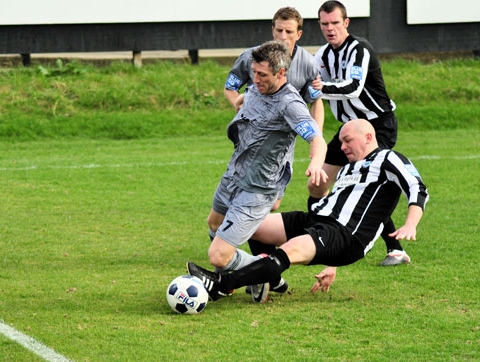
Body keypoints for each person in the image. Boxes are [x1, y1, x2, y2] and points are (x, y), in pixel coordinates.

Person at [188, 119, 429, 303]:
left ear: (368, 137)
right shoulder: (347, 170)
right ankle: (268, 278)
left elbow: (417, 187)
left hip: (345, 236)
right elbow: (329, 207)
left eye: (347, 140)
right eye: (341, 141)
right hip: (318, 222)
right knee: (252, 225)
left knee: (288, 251)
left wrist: (411, 223)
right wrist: (316, 195)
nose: (342, 146)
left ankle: (221, 285)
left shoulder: (388, 158)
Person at [206, 40, 327, 297]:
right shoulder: (255, 88)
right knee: (214, 224)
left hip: (258, 188)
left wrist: (316, 162)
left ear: (281, 73)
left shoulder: (290, 104)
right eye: (254, 73)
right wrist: (240, 100)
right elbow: (246, 98)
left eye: (262, 75)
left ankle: (265, 272)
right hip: (233, 174)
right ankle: (261, 277)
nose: (255, 79)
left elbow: (317, 139)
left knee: (218, 256)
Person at [309, 1, 408, 266]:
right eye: (324, 24)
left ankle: (396, 249)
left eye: (335, 23)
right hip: (347, 129)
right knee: (317, 182)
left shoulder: (360, 50)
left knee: (363, 181)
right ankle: (314, 236)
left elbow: (353, 87)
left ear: (346, 23)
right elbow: (309, 83)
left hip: (376, 127)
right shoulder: (322, 56)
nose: (330, 29)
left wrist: (318, 88)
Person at [224, 6, 324, 212]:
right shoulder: (252, 57)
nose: (282, 36)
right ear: (272, 30)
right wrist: (240, 108)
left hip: (283, 142)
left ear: (299, 34)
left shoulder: (307, 63)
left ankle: (238, 233)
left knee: (274, 203)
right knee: (246, 194)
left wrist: (317, 138)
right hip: (252, 136)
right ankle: (231, 232)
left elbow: (316, 101)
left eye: (288, 31)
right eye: (278, 30)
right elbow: (230, 88)